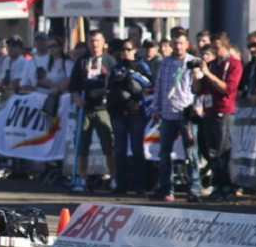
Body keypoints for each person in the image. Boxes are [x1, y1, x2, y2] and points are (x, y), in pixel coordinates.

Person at [150, 29, 202, 202]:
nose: (178, 46)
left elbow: (198, 89)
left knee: (191, 154)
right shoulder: (165, 62)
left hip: (185, 114)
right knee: (165, 154)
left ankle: (194, 188)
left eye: (181, 43)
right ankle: (166, 188)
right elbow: (158, 86)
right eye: (175, 43)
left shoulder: (192, 62)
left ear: (187, 44)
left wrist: (198, 106)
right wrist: (155, 107)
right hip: (167, 113)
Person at [195, 33, 242, 201]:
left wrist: (207, 73)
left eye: (217, 48)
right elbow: (198, 90)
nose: (214, 52)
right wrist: (197, 76)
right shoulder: (212, 65)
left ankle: (228, 187)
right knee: (211, 153)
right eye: (212, 48)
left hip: (224, 112)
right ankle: (217, 186)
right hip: (209, 112)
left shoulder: (234, 64)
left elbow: (227, 88)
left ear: (226, 47)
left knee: (223, 152)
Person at [68, 29, 116, 192]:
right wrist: (77, 99)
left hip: (103, 108)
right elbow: (73, 85)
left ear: (103, 42)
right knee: (82, 145)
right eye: (91, 41)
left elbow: (115, 84)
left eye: (97, 41)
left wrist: (102, 92)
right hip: (85, 108)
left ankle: (114, 177)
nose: (94, 44)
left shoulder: (110, 61)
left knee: (108, 145)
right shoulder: (82, 61)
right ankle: (81, 178)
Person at [106, 39, 151, 194]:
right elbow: (109, 86)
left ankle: (139, 185)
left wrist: (131, 75)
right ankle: (121, 184)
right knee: (119, 150)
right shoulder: (116, 67)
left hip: (136, 112)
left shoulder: (141, 66)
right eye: (122, 50)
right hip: (118, 113)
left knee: (137, 149)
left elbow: (148, 84)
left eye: (128, 49)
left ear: (134, 50)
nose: (125, 52)